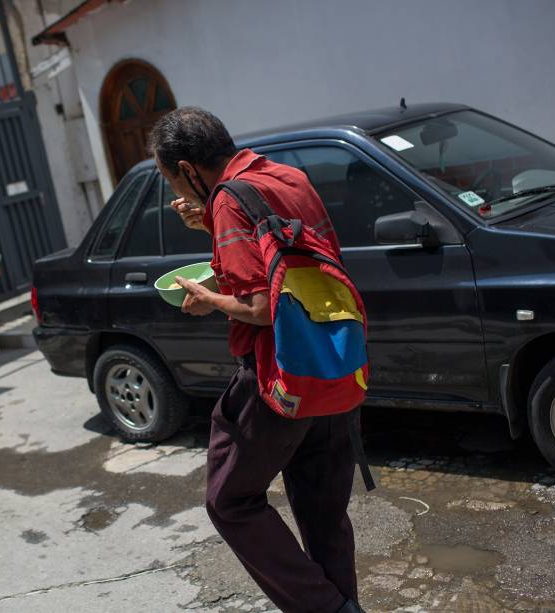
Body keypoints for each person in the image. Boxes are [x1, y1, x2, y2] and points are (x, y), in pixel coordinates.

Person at [148, 107, 366, 613]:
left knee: (230, 500)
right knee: (322, 512)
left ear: (187, 169)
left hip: (277, 374)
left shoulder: (228, 200)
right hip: (332, 361)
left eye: (168, 178)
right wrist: (210, 226)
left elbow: (262, 307)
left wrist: (207, 299)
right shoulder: (285, 176)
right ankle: (341, 604)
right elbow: (288, 260)